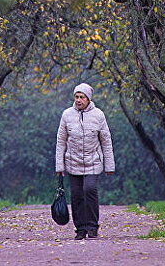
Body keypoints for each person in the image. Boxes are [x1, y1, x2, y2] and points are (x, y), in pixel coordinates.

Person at [55, 82, 115, 240]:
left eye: (82, 97)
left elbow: (106, 141)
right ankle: (80, 228)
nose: (78, 100)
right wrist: (59, 166)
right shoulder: (67, 115)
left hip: (93, 162)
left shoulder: (99, 115)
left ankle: (93, 226)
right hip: (72, 162)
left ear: (88, 99)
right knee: (76, 195)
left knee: (89, 190)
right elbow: (61, 141)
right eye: (76, 97)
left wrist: (109, 166)